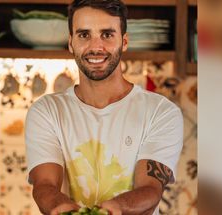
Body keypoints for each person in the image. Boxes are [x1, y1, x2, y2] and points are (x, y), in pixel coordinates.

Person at [25, 0, 183, 214]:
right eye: (84, 35)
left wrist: (112, 209)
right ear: (71, 42)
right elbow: (44, 185)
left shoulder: (160, 112)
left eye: (107, 35)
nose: (95, 47)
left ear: (124, 41)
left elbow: (150, 190)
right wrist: (60, 209)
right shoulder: (47, 111)